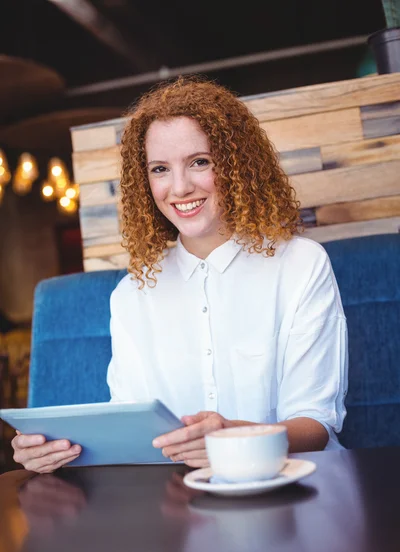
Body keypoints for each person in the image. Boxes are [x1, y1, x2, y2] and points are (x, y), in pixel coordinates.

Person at [12, 76, 348, 473]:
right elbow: (129, 427)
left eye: (200, 162)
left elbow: (317, 425)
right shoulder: (132, 294)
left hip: (299, 488)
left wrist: (233, 437)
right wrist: (52, 452)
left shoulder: (301, 265)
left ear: (237, 163)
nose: (180, 187)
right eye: (159, 169)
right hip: (179, 505)